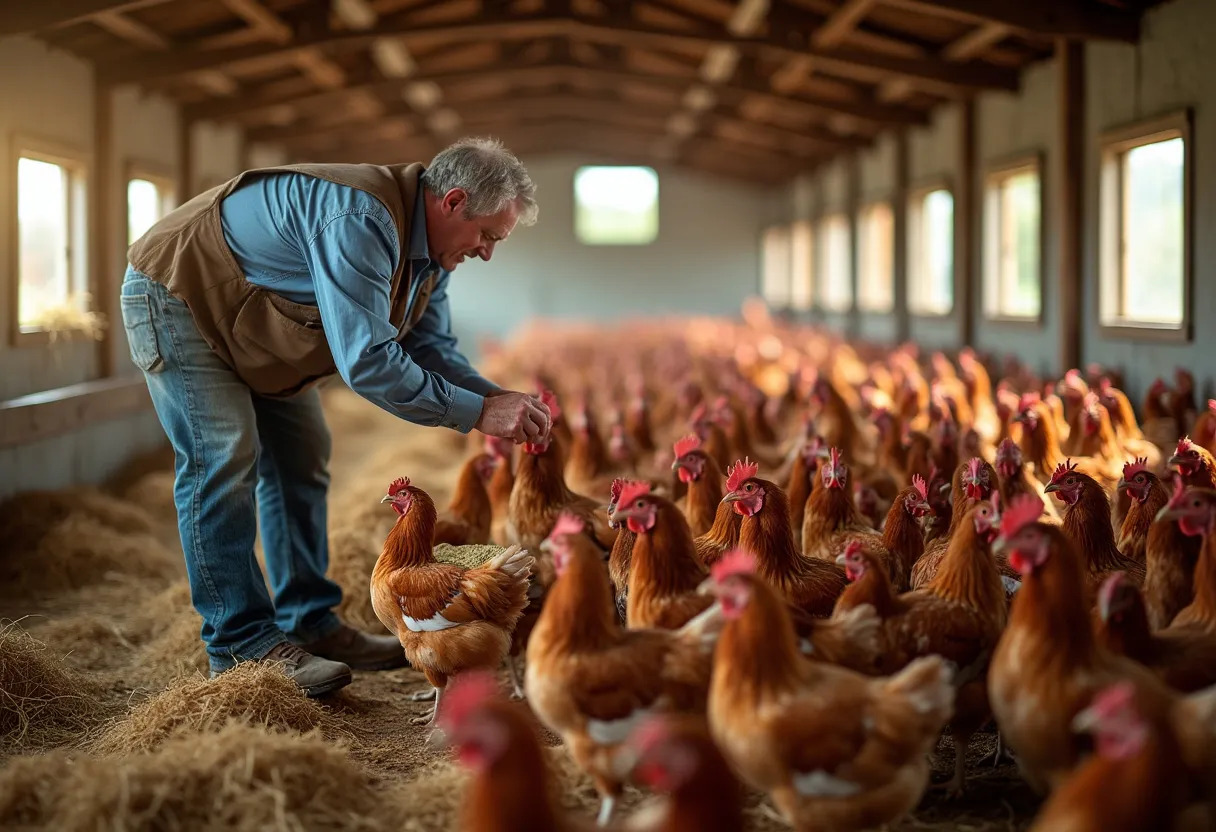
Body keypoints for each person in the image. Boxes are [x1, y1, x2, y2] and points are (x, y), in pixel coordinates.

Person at [119, 137, 551, 697]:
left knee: (303, 455)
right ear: (452, 202)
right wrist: (477, 414)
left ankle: (309, 622)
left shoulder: (430, 257)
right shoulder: (361, 218)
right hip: (180, 297)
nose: (487, 251)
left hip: (258, 325)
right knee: (224, 458)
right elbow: (368, 362)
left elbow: (432, 348)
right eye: (488, 235)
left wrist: (497, 400)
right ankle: (241, 643)